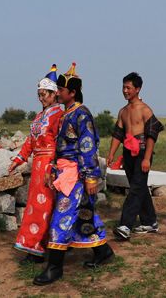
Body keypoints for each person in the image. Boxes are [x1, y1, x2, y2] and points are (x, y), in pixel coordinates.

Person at [34, 63, 114, 286]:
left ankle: (54, 267)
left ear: (72, 93)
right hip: (64, 170)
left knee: (61, 217)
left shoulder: (81, 115)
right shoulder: (64, 115)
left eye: (60, 89)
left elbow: (88, 146)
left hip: (76, 174)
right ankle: (103, 251)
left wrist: (90, 177)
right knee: (83, 215)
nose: (57, 92)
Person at [9, 65, 64, 263]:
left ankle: (39, 247)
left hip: (50, 165)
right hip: (38, 166)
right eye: (39, 94)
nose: (41, 98)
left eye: (44, 94)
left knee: (47, 206)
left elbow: (61, 142)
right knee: (37, 206)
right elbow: (30, 142)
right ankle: (36, 246)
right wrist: (18, 159)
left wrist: (56, 165)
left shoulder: (59, 115)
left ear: (54, 94)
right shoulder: (39, 117)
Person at [107, 72, 164, 240]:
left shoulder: (145, 110)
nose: (125, 91)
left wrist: (146, 158)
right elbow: (118, 134)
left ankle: (125, 225)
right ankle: (150, 222)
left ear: (137, 89)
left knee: (136, 188)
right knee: (138, 186)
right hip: (128, 153)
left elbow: (152, 135)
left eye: (128, 88)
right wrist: (111, 154)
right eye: (123, 87)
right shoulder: (122, 112)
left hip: (142, 153)